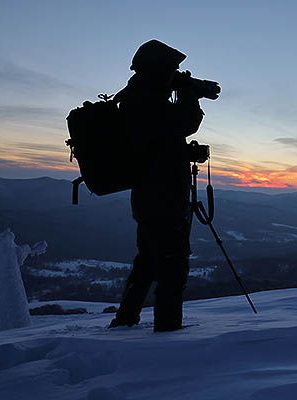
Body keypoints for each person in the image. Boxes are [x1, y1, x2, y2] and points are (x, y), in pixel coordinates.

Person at [109, 39, 204, 331]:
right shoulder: (146, 100)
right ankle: (168, 330)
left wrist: (186, 153)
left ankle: (126, 320)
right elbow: (186, 123)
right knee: (173, 266)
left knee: (148, 261)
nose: (175, 73)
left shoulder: (137, 98)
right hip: (163, 198)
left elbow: (157, 146)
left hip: (150, 196)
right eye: (171, 69)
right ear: (157, 70)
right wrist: (189, 93)